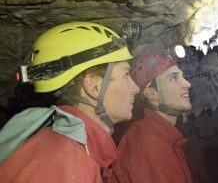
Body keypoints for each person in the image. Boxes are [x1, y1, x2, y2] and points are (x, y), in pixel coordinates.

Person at [0, 21, 139, 183]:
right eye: (126, 76)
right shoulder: (63, 162)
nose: (136, 88)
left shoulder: (73, 151)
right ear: (94, 86)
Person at [111, 49, 194, 183]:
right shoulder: (147, 139)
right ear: (151, 93)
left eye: (182, 76)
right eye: (174, 78)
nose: (187, 84)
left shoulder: (164, 137)